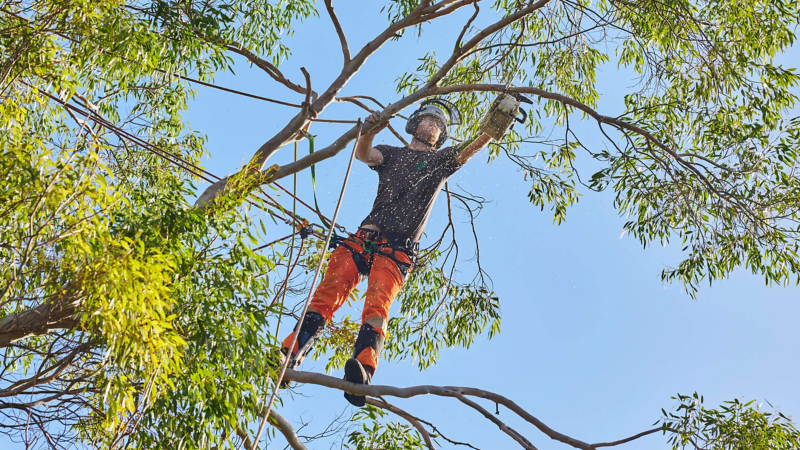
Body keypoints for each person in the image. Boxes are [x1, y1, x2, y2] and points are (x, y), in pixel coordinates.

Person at [279, 98, 513, 406]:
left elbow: (466, 152)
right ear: (415, 125)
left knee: (377, 306)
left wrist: (491, 130)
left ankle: (362, 368)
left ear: (441, 136)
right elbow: (364, 154)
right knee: (329, 290)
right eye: (429, 121)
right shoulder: (392, 153)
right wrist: (369, 132)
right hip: (364, 238)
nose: (433, 126)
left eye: (439, 125)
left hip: (397, 250)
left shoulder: (440, 162)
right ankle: (292, 351)